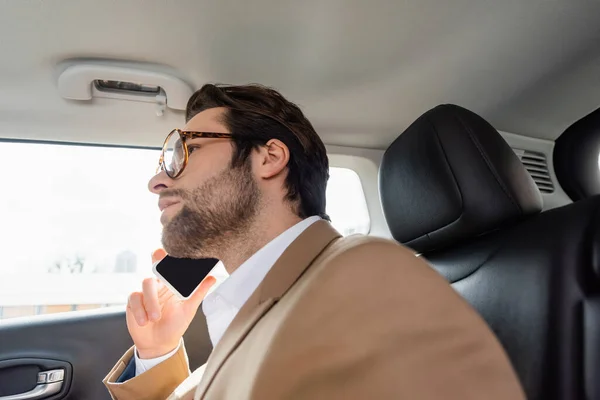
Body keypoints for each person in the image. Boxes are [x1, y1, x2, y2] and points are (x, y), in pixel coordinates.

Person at [103, 84, 525, 400]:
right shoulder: (265, 300)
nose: (157, 181)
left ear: (269, 158)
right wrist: (156, 351)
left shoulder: (367, 280)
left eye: (184, 152)